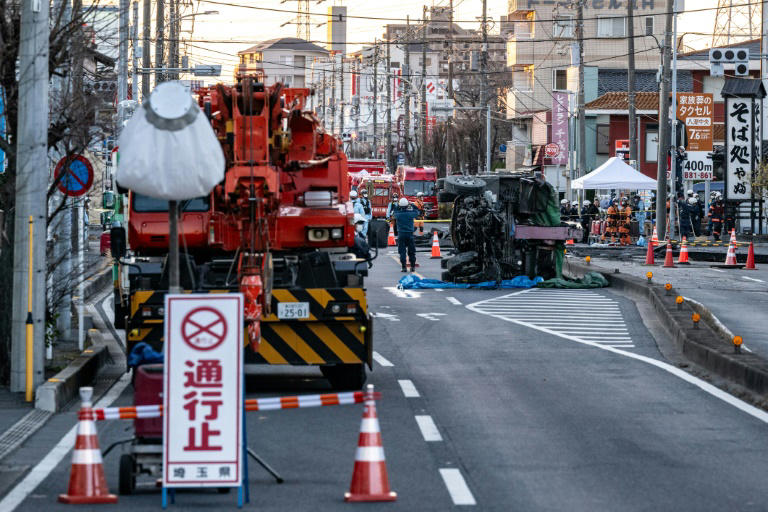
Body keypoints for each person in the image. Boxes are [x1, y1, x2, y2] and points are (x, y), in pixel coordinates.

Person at [393, 197, 421, 272]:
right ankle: (412, 267)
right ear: (407, 205)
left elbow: (394, 210)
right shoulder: (410, 214)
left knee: (402, 251)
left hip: (401, 234)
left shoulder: (398, 214)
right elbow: (417, 211)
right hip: (410, 234)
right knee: (411, 251)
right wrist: (411, 204)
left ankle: (404, 267)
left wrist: (398, 206)